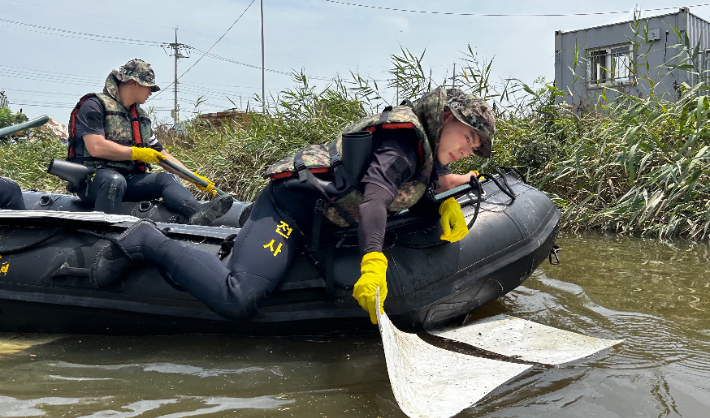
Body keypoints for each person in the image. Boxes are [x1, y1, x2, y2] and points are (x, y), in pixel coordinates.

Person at [89, 87, 496, 323]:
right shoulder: (403, 145)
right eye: (468, 139)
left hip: (323, 221)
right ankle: (145, 240)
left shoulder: (422, 151)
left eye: (475, 149)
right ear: (444, 117)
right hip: (288, 213)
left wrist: (445, 197)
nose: (467, 150)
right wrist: (373, 262)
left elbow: (413, 191)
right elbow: (375, 198)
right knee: (239, 297)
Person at [67, 58, 232, 225]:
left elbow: (162, 155)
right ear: (133, 83)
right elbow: (96, 147)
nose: (151, 92)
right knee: (114, 181)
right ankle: (102, 233)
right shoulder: (94, 105)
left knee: (166, 179)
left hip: (128, 180)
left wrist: (195, 178)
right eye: (149, 87)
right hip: (94, 181)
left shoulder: (140, 117)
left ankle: (197, 214)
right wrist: (137, 153)